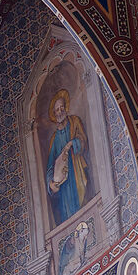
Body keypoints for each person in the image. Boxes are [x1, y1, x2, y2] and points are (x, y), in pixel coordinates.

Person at [43, 88, 95, 225]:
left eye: (61, 108)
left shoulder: (75, 122)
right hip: (64, 181)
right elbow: (49, 166)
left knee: (82, 199)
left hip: (77, 170)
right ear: (54, 114)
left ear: (66, 108)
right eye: (57, 110)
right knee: (68, 212)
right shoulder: (54, 138)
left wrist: (72, 143)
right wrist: (50, 183)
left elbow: (82, 140)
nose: (60, 112)